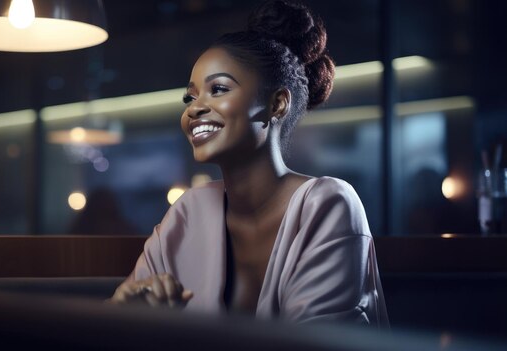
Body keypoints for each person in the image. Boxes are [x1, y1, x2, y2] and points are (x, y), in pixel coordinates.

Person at [110, 0, 389, 327]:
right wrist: (120, 310)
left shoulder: (327, 204)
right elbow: (108, 330)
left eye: (218, 89)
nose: (194, 109)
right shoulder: (189, 211)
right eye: (190, 96)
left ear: (277, 104)